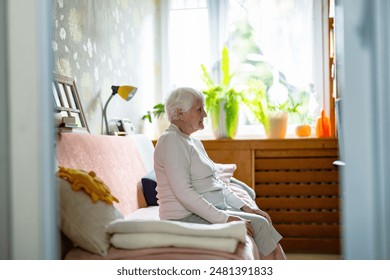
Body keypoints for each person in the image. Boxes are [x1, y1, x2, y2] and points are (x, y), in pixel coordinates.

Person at [154, 87, 286, 260]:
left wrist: (246, 207)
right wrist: (226, 219)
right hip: (184, 218)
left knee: (261, 220)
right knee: (260, 224)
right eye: (199, 109)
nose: (205, 114)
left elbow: (216, 182)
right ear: (180, 113)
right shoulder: (171, 141)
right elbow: (184, 193)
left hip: (205, 210)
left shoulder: (192, 141)